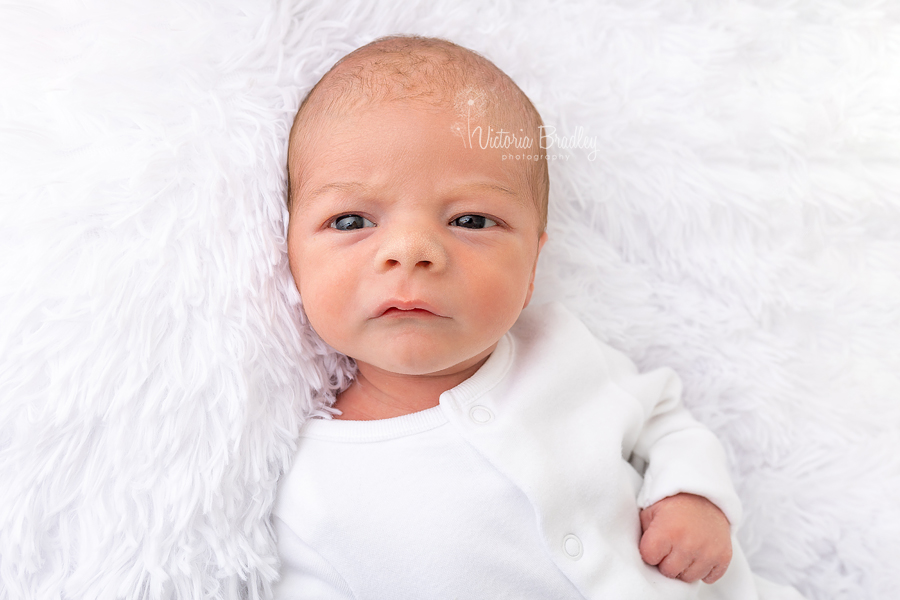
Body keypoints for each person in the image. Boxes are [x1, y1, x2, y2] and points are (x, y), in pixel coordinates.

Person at [273, 35, 804, 599]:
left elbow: (665, 420)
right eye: (352, 221)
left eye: (472, 221)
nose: (410, 251)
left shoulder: (562, 350)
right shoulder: (312, 486)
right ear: (289, 258)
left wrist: (691, 495)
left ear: (531, 267)